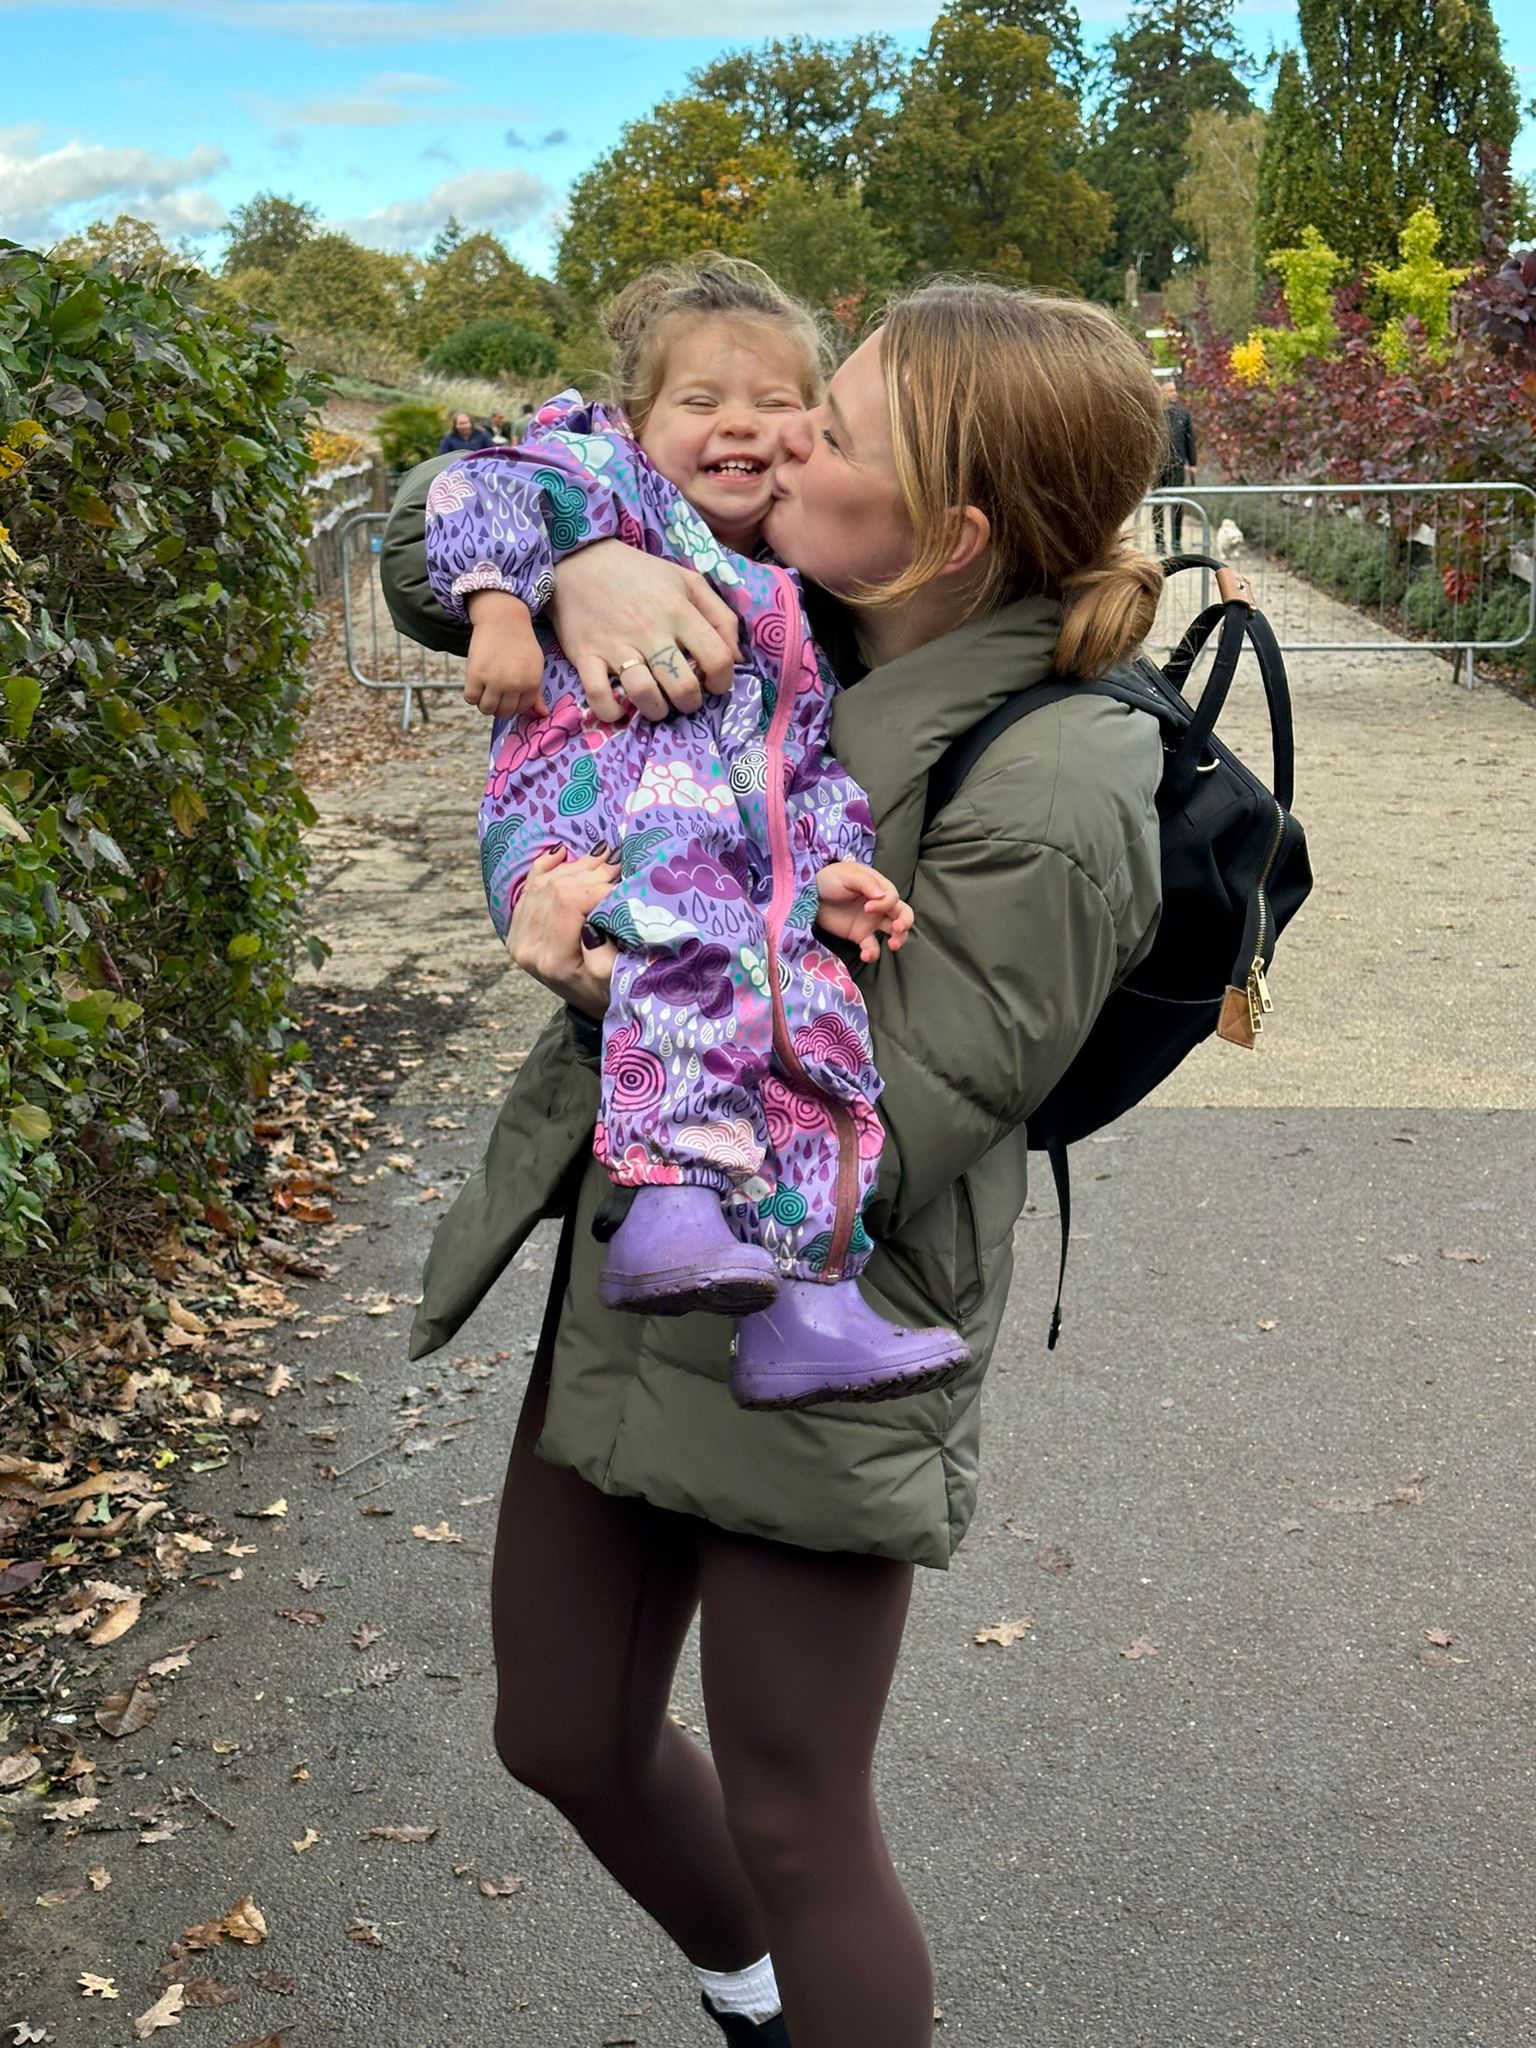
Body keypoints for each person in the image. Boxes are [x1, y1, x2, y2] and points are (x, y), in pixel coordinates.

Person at [395, 280, 1166, 2047]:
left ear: (949, 531)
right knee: (563, 1732)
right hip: (637, 1269)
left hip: (827, 1306)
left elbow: (920, 1095)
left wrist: (628, 961)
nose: (781, 443)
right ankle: (755, 2000)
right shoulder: (785, 595)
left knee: (800, 1817)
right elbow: (445, 525)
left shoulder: (1061, 770)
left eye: (835, 429)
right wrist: (583, 564)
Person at [423, 258, 968, 1410]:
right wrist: (506, 607)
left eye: (779, 403)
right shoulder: (607, 484)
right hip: (590, 819)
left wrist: (827, 862)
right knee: (694, 938)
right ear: (635, 417)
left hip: (733, 856)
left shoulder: (787, 587)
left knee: (815, 1017)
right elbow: (478, 485)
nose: (743, 425)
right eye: (702, 400)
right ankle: (671, 1197)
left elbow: (794, 753)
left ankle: (809, 1296)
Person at [1151, 376, 1198, 554]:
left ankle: (1176, 542)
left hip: (1177, 464)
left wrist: (1193, 463)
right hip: (1157, 466)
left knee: (1177, 504)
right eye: (1170, 390)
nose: (1174, 393)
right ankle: (1159, 542)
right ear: (1162, 392)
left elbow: (1190, 440)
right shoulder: (1154, 414)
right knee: (1157, 505)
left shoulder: (1183, 414)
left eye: (1175, 390)